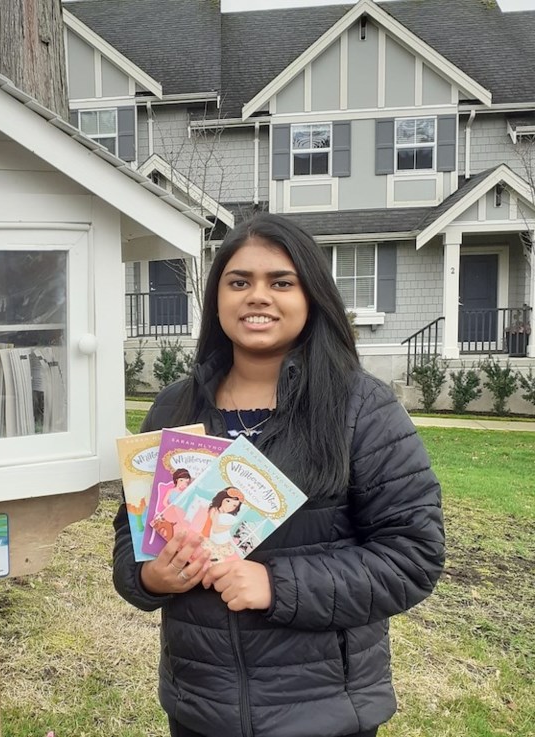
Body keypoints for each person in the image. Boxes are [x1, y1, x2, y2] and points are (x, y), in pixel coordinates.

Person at [112, 213, 445, 737]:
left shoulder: (362, 409)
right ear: (217, 298)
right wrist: (151, 576)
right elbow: (131, 539)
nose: (257, 296)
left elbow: (413, 557)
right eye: (239, 281)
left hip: (322, 714)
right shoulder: (177, 406)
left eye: (281, 282)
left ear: (311, 296)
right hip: (200, 707)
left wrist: (276, 585)